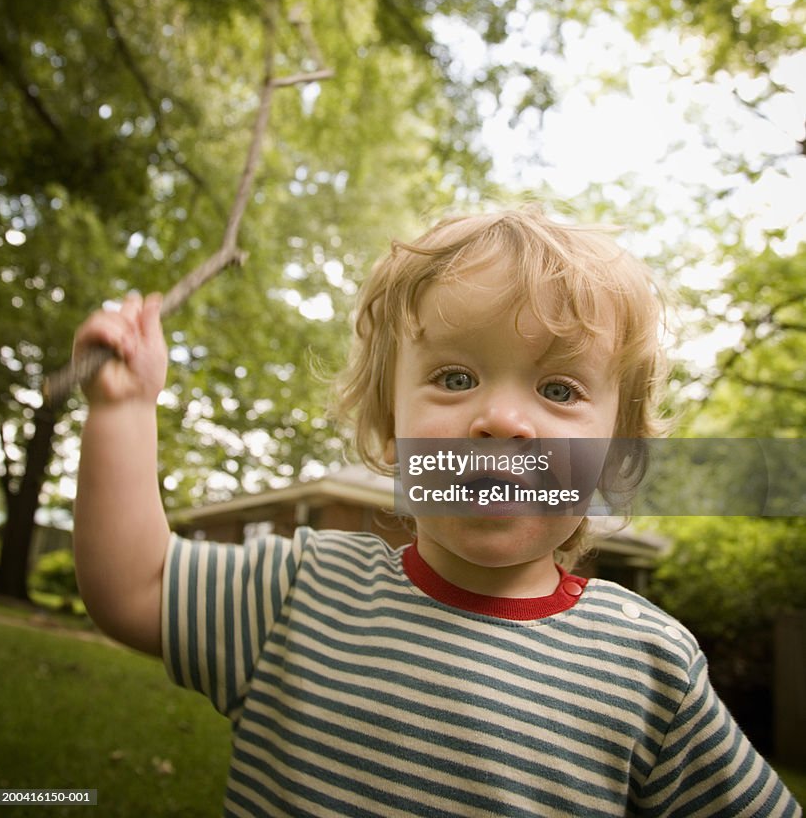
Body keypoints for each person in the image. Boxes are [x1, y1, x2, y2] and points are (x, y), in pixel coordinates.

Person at [73, 205, 801, 818]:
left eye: (557, 390)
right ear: (392, 429)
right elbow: (133, 587)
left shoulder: (649, 667)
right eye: (456, 377)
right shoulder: (298, 593)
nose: (502, 420)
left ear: (613, 461)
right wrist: (125, 409)